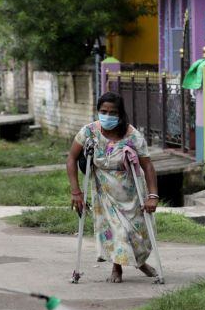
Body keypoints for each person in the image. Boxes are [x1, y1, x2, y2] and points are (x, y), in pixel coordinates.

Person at [66, 92, 160, 283]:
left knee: (137, 235)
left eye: (112, 112)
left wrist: (153, 196)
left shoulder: (133, 136)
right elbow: (71, 158)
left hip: (131, 192)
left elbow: (148, 166)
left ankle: (140, 262)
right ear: (98, 111)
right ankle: (116, 269)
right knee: (119, 230)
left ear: (120, 114)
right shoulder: (89, 132)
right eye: (103, 111)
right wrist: (76, 191)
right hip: (104, 191)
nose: (107, 116)